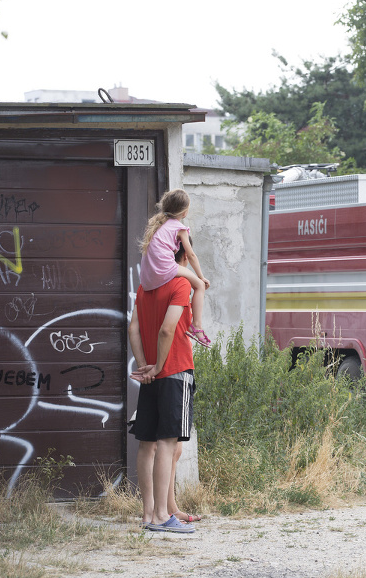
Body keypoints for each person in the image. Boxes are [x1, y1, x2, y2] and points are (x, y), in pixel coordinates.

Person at [128, 240, 199, 533]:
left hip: (151, 375)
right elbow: (168, 328)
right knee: (169, 444)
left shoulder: (145, 287)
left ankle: (149, 515)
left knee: (148, 444)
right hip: (175, 371)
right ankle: (162, 516)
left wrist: (145, 366)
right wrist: (158, 366)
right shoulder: (180, 283)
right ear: (182, 255)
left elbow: (133, 328)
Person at [139, 188, 211, 346]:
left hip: (148, 276)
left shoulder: (157, 225)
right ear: (185, 212)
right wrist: (201, 276)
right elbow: (190, 255)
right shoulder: (179, 228)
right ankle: (196, 325)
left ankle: (196, 325)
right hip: (164, 269)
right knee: (199, 286)